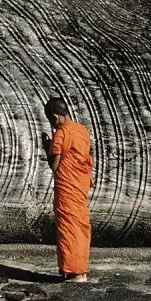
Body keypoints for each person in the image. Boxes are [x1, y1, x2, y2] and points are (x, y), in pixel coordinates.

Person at [42, 97, 95, 283]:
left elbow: (54, 166)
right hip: (80, 185)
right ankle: (82, 271)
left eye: (51, 120)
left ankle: (73, 273)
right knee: (80, 226)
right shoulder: (82, 130)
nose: (52, 124)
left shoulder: (61, 134)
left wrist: (47, 147)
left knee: (68, 227)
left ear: (56, 117)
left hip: (67, 188)